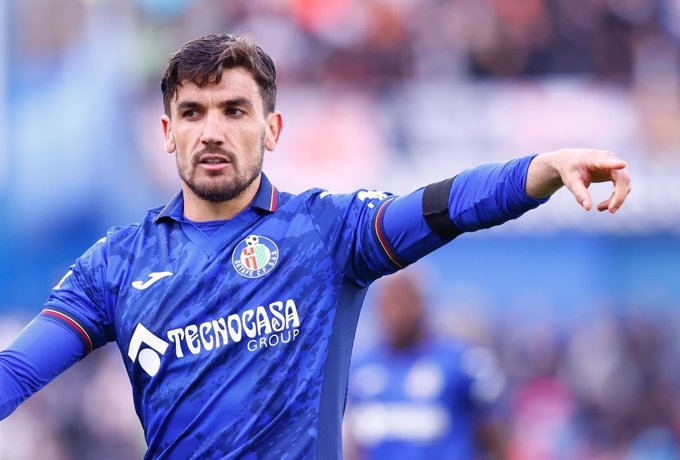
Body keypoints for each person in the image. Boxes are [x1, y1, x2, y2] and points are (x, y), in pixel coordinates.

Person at [0, 33, 631, 459]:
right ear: (167, 132)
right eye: (193, 113)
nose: (212, 131)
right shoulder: (117, 263)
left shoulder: (325, 233)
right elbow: (20, 370)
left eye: (234, 110)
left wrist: (542, 170)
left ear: (272, 128)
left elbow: (444, 206)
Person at [346, 270, 506, 460]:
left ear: (422, 304)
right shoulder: (362, 368)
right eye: (386, 303)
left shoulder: (463, 363)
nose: (393, 314)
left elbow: (494, 434)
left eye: (401, 302)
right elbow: (357, 444)